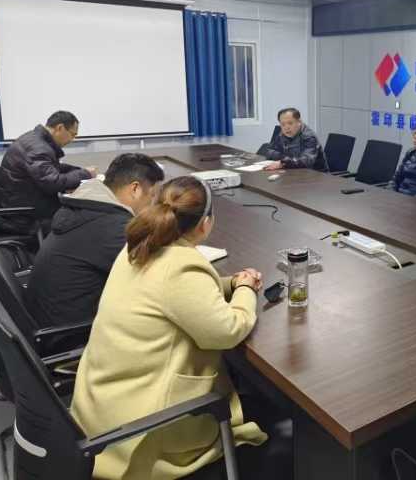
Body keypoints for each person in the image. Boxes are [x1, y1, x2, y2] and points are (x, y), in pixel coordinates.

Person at [70, 176, 270, 479]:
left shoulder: (138, 246)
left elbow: (176, 295)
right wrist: (246, 290)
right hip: (145, 429)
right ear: (205, 224)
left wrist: (231, 283)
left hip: (102, 409)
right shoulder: (181, 266)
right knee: (264, 409)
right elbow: (227, 331)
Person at [25, 153, 165, 330]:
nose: (152, 205)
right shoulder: (113, 226)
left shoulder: (84, 209)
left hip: (48, 320)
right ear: (135, 189)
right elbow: (158, 275)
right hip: (73, 333)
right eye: (152, 196)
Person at [0, 111, 96, 234]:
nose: (72, 139)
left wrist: (78, 171)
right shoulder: (39, 148)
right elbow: (52, 182)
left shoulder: (33, 139)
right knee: (84, 219)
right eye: (72, 134)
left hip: (17, 204)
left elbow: (49, 168)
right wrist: (85, 174)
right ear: (60, 128)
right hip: (24, 217)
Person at [260, 107, 327, 172]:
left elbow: (306, 161)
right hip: (294, 171)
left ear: (299, 122)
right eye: (283, 124)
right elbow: (270, 151)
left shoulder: (309, 137)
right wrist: (285, 159)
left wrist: (283, 163)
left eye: (290, 123)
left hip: (316, 174)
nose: (286, 127)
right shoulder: (283, 134)